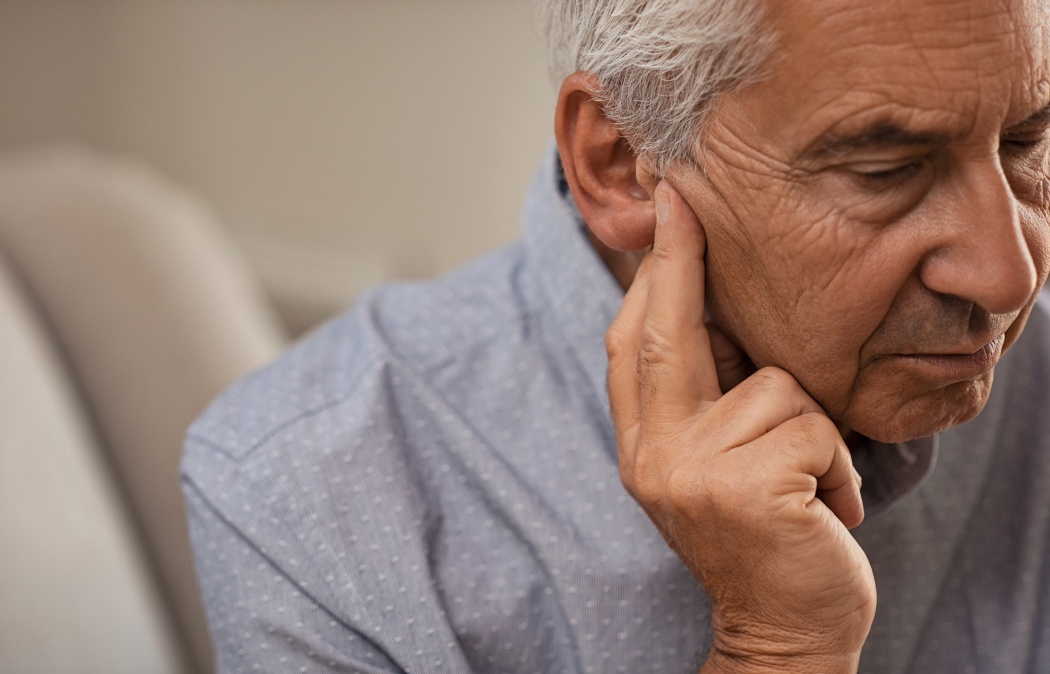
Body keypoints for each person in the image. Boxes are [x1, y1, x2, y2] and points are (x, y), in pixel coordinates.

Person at [182, 0, 1050, 672]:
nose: (1007, 275)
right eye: (885, 170)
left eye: (1027, 142)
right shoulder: (305, 494)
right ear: (621, 163)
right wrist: (776, 650)